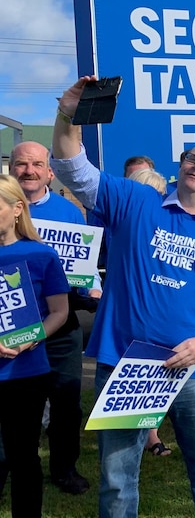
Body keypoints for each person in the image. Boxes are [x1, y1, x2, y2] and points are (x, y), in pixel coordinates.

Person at [51, 76, 195, 518]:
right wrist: (69, 116)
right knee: (118, 473)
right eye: (192, 158)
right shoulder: (135, 201)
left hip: (194, 368)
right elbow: (74, 170)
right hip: (125, 363)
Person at [10, 141, 97, 494]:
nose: (28, 170)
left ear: (49, 171)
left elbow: (80, 269)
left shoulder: (69, 212)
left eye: (36, 164)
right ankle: (14, 466)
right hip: (12, 325)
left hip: (61, 325)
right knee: (13, 404)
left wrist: (90, 288)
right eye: (20, 164)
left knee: (66, 402)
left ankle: (64, 468)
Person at [0, 175, 70, 518]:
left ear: (16, 210)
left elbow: (60, 311)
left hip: (26, 371)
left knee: (23, 455)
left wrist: (33, 336)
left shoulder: (41, 254)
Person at [125, 167, 173, 457]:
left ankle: (151, 432)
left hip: (163, 315)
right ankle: (142, 436)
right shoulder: (124, 224)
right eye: (151, 195)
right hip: (133, 316)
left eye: (160, 196)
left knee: (158, 378)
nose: (157, 202)